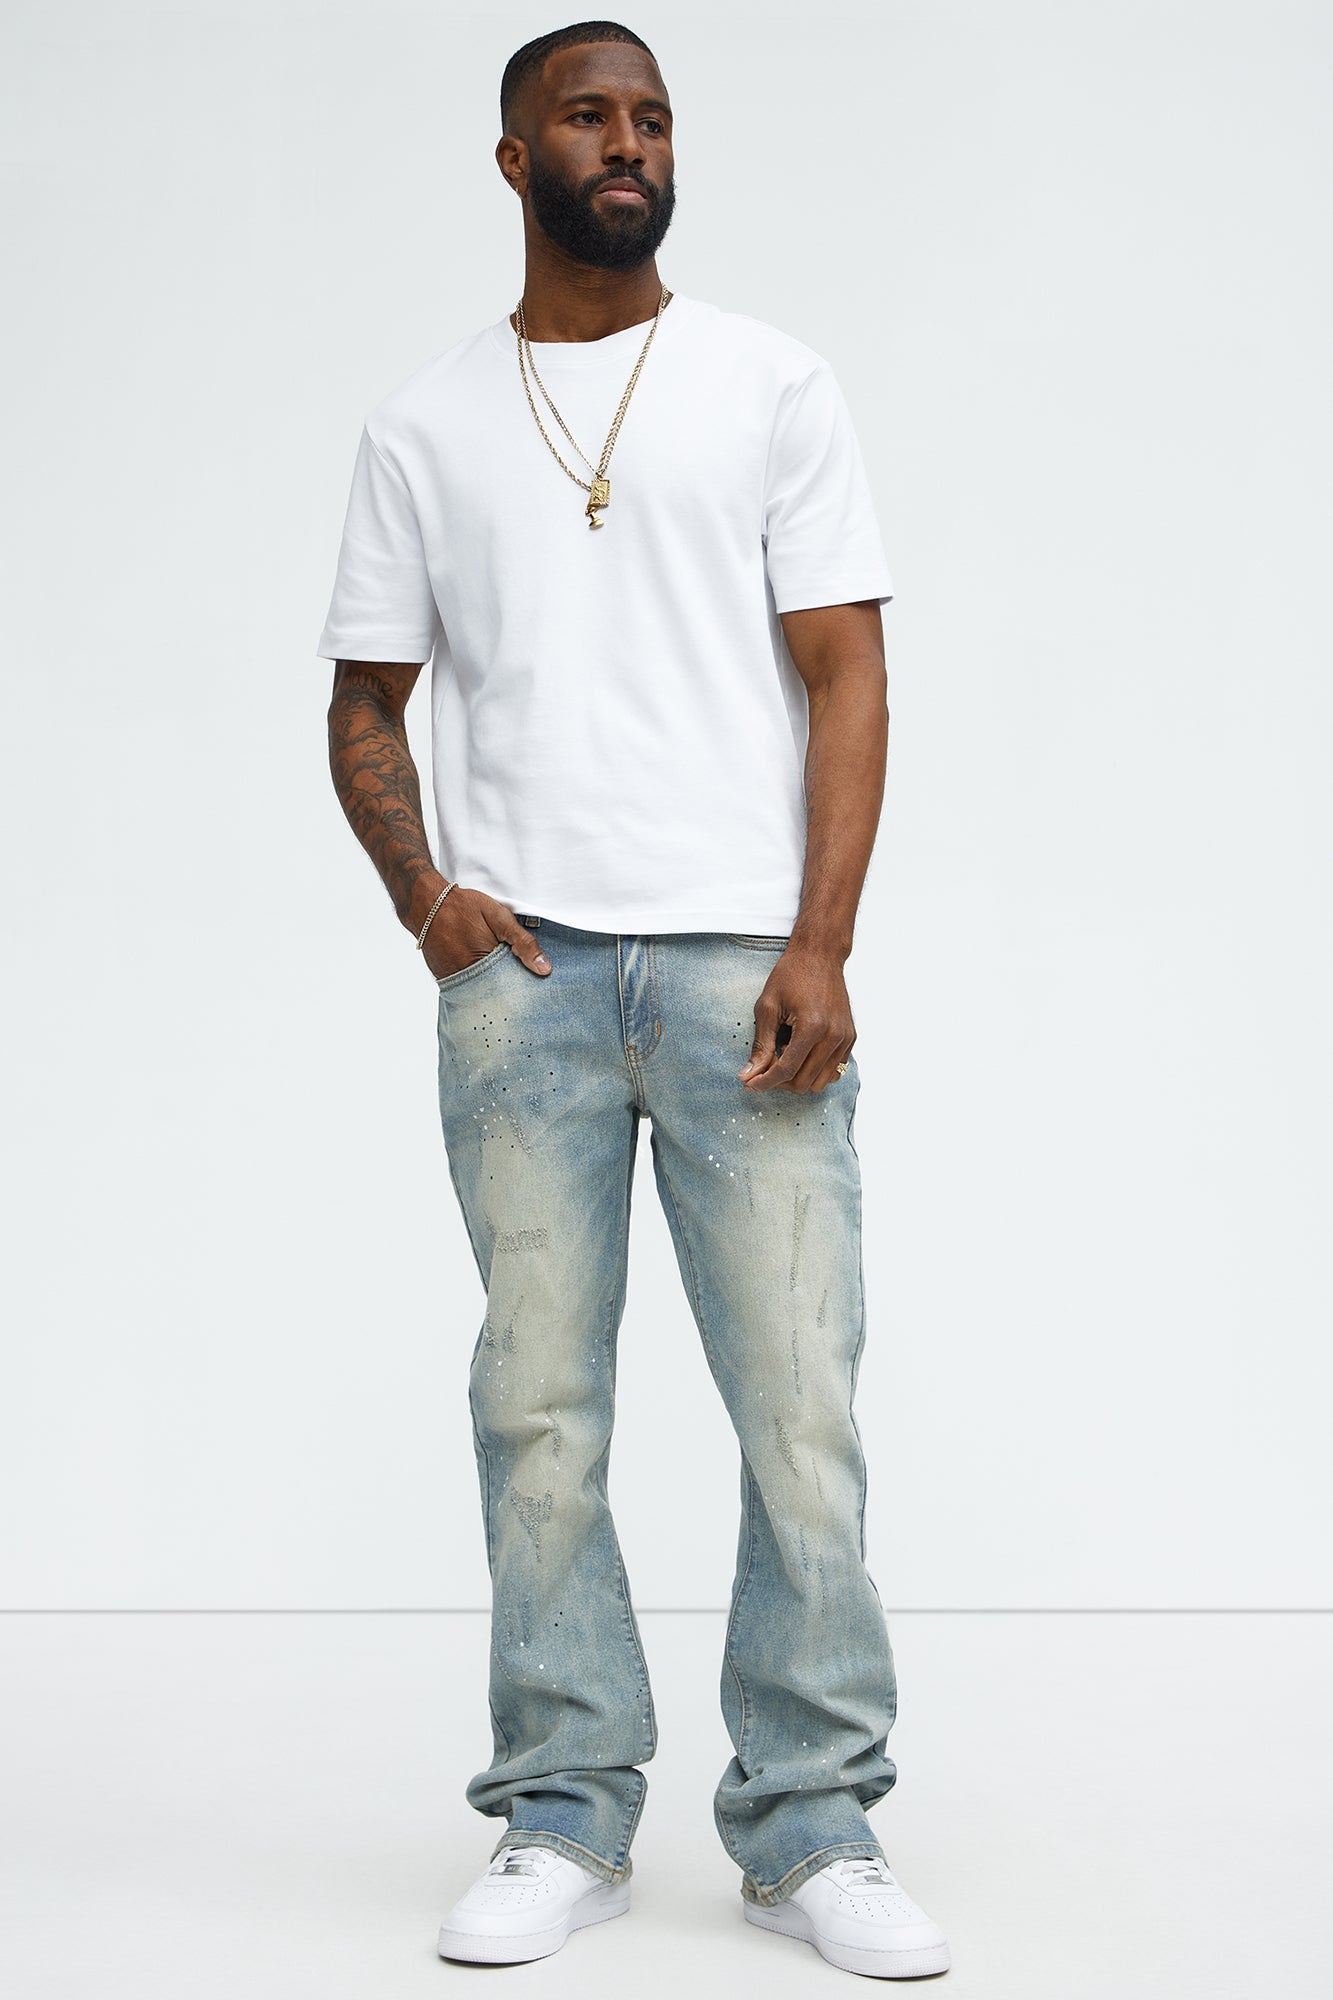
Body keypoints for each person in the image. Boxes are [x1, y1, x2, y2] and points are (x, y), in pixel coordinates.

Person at [315, 16, 950, 1982]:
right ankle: (563, 1810)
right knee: (538, 1411)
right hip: (525, 984)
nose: (628, 142)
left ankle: (812, 1820)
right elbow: (364, 701)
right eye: (587, 116)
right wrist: (424, 895)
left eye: (652, 117)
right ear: (514, 159)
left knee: (798, 1407)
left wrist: (821, 940)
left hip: (743, 967)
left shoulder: (767, 381)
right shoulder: (425, 425)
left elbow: (846, 671)